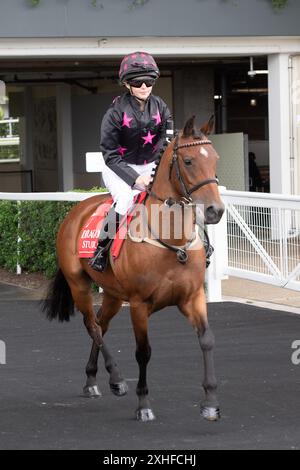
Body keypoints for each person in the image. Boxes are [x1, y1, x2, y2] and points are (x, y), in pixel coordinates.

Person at [90, 51, 172, 272]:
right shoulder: (114, 113)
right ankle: (100, 248)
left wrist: (158, 170)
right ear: (127, 84)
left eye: (149, 81)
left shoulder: (161, 107)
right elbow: (109, 154)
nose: (144, 86)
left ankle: (197, 245)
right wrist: (136, 179)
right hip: (118, 166)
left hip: (150, 164)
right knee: (126, 199)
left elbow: (167, 141)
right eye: (138, 82)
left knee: (175, 195)